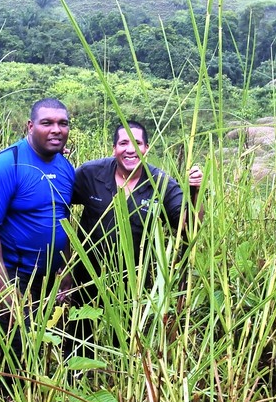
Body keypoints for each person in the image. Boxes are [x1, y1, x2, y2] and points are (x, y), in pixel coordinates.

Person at [67, 120, 203, 350]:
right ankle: (77, 377)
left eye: (137, 143)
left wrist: (195, 191)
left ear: (146, 148)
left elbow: (188, 228)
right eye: (123, 143)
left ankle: (120, 378)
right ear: (114, 149)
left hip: (134, 281)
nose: (130, 149)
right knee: (79, 340)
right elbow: (56, 202)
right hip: (86, 275)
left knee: (126, 343)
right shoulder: (91, 173)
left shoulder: (160, 183)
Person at [0, 98, 75, 353]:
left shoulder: (65, 167)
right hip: (13, 275)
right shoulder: (5, 166)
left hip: (48, 276)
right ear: (30, 126)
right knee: (20, 349)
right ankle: (12, 391)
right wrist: (4, 288)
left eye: (63, 123)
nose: (56, 130)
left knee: (50, 343)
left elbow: (63, 220)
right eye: (47, 123)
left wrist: (66, 271)